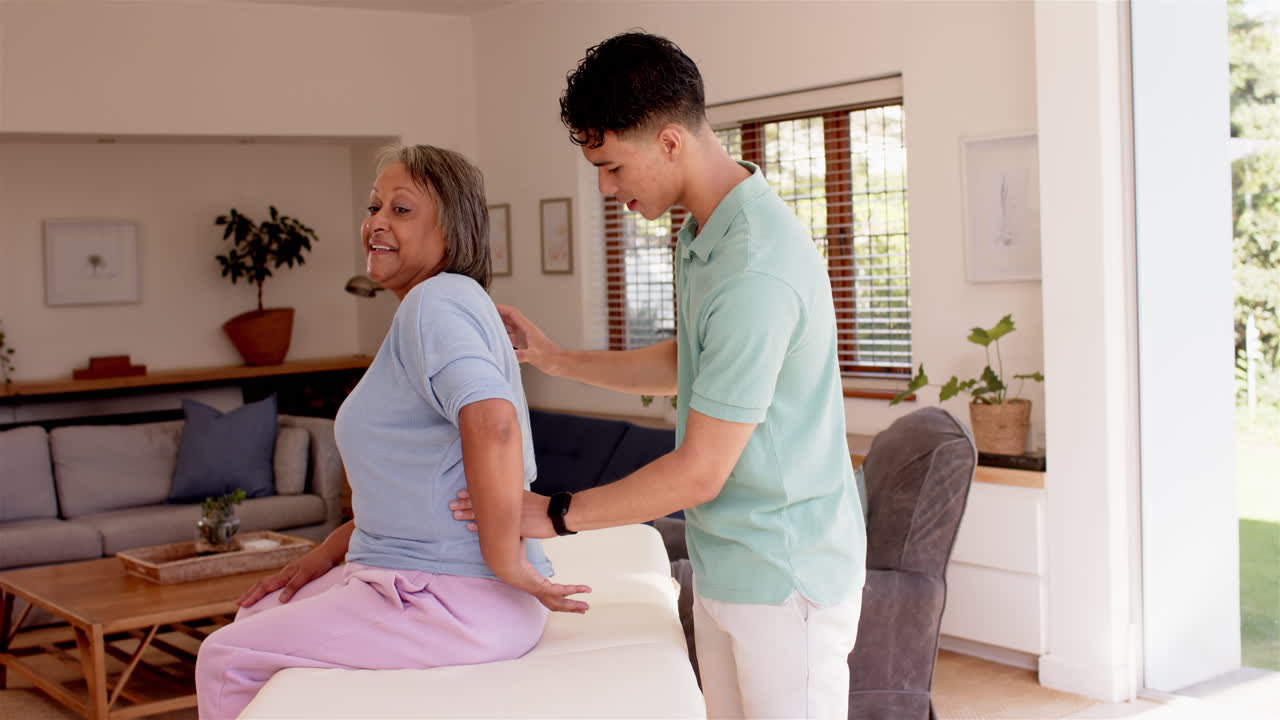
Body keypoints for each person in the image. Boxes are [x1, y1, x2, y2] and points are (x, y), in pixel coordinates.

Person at [450, 32, 866, 719]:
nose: (607, 189)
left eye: (612, 167)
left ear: (670, 142)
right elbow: (689, 362)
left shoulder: (756, 265)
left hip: (786, 577)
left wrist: (555, 514)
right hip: (727, 564)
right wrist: (553, 359)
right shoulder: (704, 236)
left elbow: (700, 471)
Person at [195, 144, 590, 720]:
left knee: (225, 656)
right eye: (374, 206)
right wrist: (330, 553)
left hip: (455, 598)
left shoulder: (436, 303)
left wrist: (508, 563)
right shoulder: (445, 304)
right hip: (445, 586)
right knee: (257, 617)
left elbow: (495, 421)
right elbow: (421, 477)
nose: (376, 221)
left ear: (450, 234)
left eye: (401, 210)